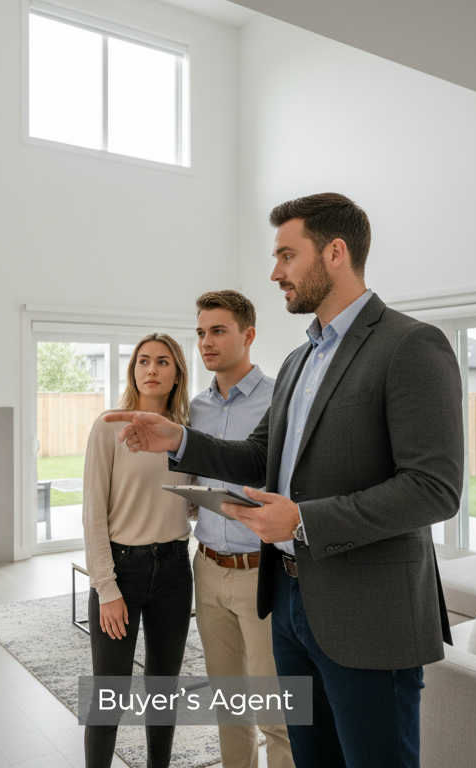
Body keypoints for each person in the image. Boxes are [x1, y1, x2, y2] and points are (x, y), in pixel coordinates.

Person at [106, 193, 463, 768]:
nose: (275, 273)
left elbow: (434, 488)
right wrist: (178, 441)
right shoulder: (301, 359)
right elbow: (260, 455)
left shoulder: (409, 344)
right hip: (292, 599)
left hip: (367, 614)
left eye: (286, 256)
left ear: (336, 253)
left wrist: (303, 520)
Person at [81, 332, 194, 768]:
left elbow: (190, 500)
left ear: (176, 372)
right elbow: (93, 512)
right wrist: (105, 587)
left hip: (174, 572)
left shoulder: (187, 434)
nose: (151, 369)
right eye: (143, 361)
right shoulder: (109, 426)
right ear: (133, 371)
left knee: (164, 693)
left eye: (162, 361)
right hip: (121, 574)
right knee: (108, 699)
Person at [188, 290, 291, 768]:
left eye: (218, 331)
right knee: (229, 705)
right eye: (202, 333)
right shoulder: (195, 409)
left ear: (248, 335)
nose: (207, 342)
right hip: (206, 567)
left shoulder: (281, 400)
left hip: (262, 572)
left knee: (276, 710)